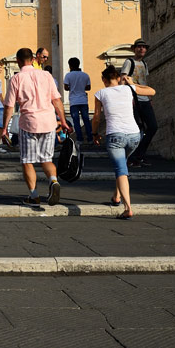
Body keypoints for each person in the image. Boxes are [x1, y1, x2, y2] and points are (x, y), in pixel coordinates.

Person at [0, 48, 70, 206]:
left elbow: (9, 106)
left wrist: (4, 129)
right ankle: (53, 181)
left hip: (29, 123)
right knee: (47, 159)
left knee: (28, 161)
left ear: (18, 60)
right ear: (33, 59)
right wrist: (63, 121)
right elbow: (57, 100)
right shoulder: (46, 75)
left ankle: (34, 196)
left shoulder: (16, 78)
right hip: (49, 121)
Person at [92, 65, 156, 219]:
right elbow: (151, 91)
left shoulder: (101, 93)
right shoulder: (128, 89)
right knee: (122, 166)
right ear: (118, 78)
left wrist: (94, 134)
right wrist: (131, 83)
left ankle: (128, 208)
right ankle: (116, 197)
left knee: (121, 170)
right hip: (134, 136)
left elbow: (96, 117)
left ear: (104, 80)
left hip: (115, 136)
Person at [123, 39, 158, 166]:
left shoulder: (144, 63)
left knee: (153, 127)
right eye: (139, 47)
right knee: (137, 129)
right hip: (133, 100)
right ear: (134, 49)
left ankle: (139, 154)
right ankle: (133, 157)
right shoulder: (129, 62)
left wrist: (149, 97)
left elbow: (144, 82)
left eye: (144, 47)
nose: (142, 49)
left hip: (145, 99)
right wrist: (128, 98)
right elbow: (123, 80)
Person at [63, 57, 93, 143]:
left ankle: (80, 139)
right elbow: (88, 87)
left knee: (76, 121)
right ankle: (90, 138)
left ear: (70, 65)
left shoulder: (68, 75)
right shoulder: (85, 75)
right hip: (83, 100)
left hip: (74, 101)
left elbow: (66, 87)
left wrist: (72, 87)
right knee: (86, 119)